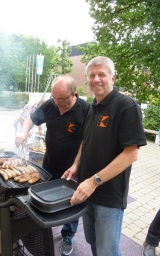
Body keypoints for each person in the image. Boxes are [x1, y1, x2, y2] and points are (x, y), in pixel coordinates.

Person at [62, 56, 147, 256]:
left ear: (113, 78)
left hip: (108, 196)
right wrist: (76, 165)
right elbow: (86, 140)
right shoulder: (93, 107)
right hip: (86, 190)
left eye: (102, 74)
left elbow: (131, 154)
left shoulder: (126, 106)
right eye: (92, 75)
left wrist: (94, 181)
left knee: (107, 251)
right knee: (93, 242)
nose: (96, 79)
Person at [15, 75, 90, 256]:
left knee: (70, 204)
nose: (57, 103)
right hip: (49, 163)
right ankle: (39, 228)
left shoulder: (86, 110)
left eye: (61, 99)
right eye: (54, 98)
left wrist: (76, 164)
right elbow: (30, 119)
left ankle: (68, 236)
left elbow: (86, 141)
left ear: (74, 95)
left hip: (72, 169)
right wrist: (24, 133)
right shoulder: (51, 104)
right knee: (43, 198)